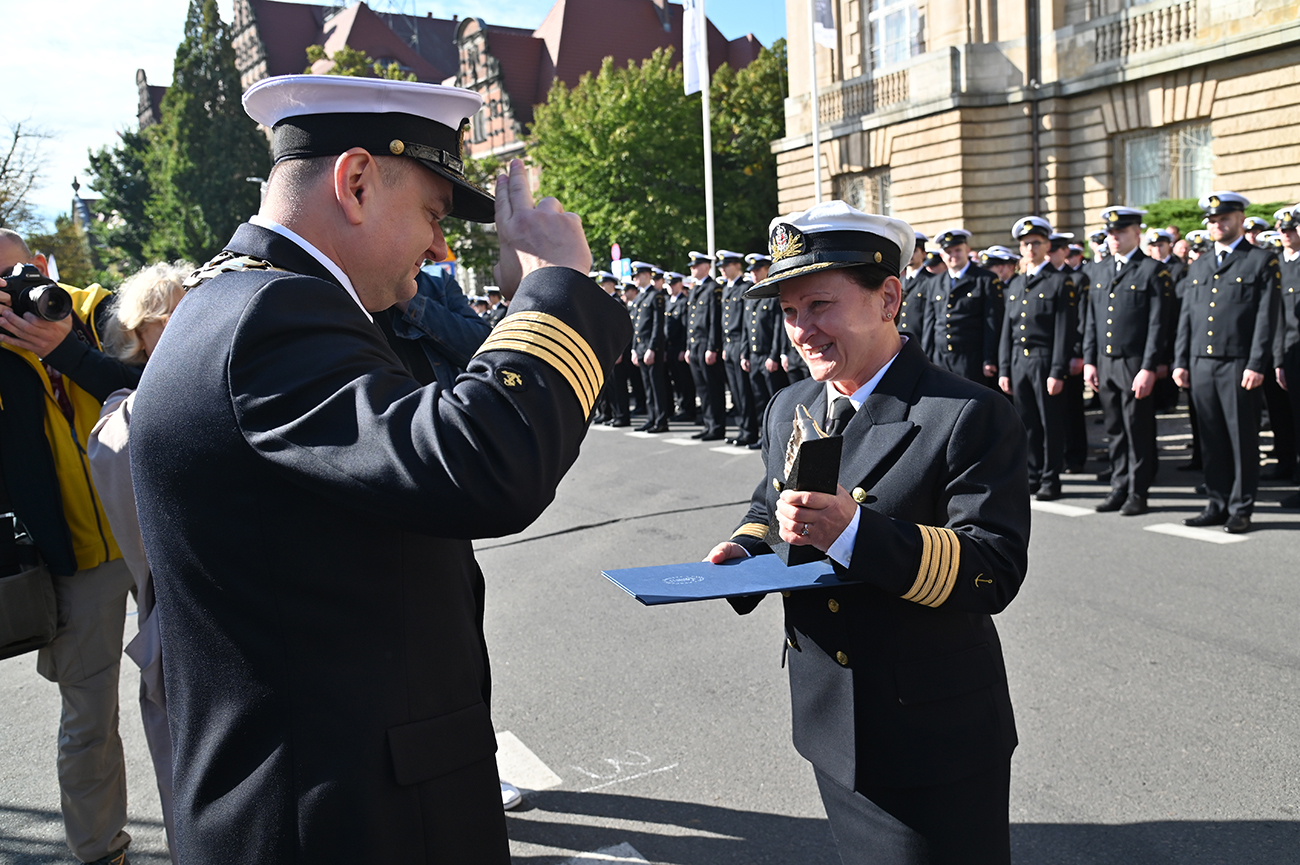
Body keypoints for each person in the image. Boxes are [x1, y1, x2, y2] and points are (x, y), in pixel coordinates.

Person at [127, 75, 631, 863]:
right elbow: (482, 461)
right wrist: (556, 291)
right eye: (433, 213)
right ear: (356, 181)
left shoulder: (246, 303)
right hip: (340, 819)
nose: (439, 248)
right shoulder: (271, 318)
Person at [706, 201, 1028, 865]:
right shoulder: (791, 405)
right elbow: (769, 502)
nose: (801, 330)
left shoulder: (966, 414)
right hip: (830, 720)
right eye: (789, 312)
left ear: (888, 297)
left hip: (927, 734)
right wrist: (745, 549)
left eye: (819, 304)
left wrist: (857, 532)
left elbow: (993, 566)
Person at [0, 228, 141, 865]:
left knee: (202, 696)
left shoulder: (93, 309)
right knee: (88, 724)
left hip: (154, 538)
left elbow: (155, 382)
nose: (21, 291)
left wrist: (67, 349)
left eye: (23, 272)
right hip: (73, 564)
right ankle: (99, 853)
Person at [86, 261, 191, 862]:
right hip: (177, 629)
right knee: (193, 790)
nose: (180, 325)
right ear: (139, 334)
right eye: (165, 317)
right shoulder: (123, 415)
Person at [1173, 192, 1280, 533]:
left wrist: (1256, 363)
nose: (1218, 225)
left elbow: (1267, 317)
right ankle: (1217, 503)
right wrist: (1180, 360)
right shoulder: (1201, 263)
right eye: (1213, 221)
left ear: (1240, 219)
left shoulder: (1260, 261)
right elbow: (1187, 316)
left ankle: (1241, 507)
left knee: (1241, 439)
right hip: (1201, 362)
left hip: (1238, 363)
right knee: (1211, 437)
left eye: (1225, 219)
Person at [1083, 207, 1172, 516]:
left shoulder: (1152, 270)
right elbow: (1092, 319)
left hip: (1135, 363)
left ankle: (1138, 491)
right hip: (1106, 362)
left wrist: (1149, 366)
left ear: (1137, 233)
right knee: (1115, 429)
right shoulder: (1100, 270)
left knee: (1138, 429)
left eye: (1120, 232)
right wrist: (1090, 361)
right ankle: (1119, 486)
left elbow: (1158, 325)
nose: (1114, 238)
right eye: (1110, 233)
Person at [999, 216, 1078, 501]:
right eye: (1025, 243)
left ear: (1047, 246)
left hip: (1045, 361)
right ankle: (1031, 474)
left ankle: (1050, 478)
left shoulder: (1060, 281)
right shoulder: (1016, 285)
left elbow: (1063, 332)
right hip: (1020, 361)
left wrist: (1057, 370)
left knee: (1050, 422)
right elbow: (1007, 331)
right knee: (1027, 422)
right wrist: (1005, 368)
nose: (1030, 248)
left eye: (1036, 243)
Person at [921, 228, 1003, 386]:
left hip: (971, 359)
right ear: (943, 256)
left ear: (967, 250)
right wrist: (926, 358)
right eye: (948, 252)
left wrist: (989, 358)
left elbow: (992, 322)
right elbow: (929, 324)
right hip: (941, 359)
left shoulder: (985, 280)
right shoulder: (934, 283)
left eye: (958, 250)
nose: (954, 255)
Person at [742, 252, 785, 443]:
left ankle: (775, 437)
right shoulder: (754, 294)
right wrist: (745, 353)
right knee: (759, 398)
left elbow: (778, 327)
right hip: (755, 355)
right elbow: (747, 327)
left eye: (757, 270)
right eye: (751, 271)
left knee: (773, 399)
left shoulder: (773, 294)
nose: (754, 274)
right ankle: (763, 436)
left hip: (768, 355)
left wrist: (774, 355)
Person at [718, 248, 758, 446]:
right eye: (721, 267)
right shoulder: (727, 288)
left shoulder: (745, 287)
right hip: (729, 344)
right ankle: (742, 429)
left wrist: (744, 349)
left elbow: (745, 322)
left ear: (737, 266)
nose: (723, 270)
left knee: (744, 391)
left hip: (740, 342)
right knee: (735, 391)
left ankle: (749, 430)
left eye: (726, 266)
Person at [1274, 205, 1300, 506]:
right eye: (1282, 229)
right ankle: (1289, 466)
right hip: (1288, 352)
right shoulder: (1277, 265)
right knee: (1289, 418)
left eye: (1291, 229)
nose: (1286, 234)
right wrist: (1278, 358)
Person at [685, 250, 726, 440]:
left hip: (706, 346)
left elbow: (713, 321)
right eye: (691, 266)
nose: (692, 269)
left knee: (712, 387)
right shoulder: (695, 289)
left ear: (706, 267)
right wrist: (688, 346)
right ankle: (708, 424)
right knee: (701, 388)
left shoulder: (713, 288)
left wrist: (712, 347)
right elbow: (691, 321)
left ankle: (717, 426)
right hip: (694, 346)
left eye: (695, 266)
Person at [628, 260, 670, 432]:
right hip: (640, 348)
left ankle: (661, 420)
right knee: (647, 386)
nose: (635, 279)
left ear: (646, 275)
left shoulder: (655, 296)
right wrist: (633, 349)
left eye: (638, 276)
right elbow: (637, 326)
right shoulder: (640, 297)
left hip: (651, 348)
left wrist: (652, 348)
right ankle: (651, 418)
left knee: (656, 385)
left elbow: (657, 326)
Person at [663, 271, 697, 421]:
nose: (671, 288)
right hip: (670, 347)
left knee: (685, 381)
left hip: (679, 347)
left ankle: (688, 409)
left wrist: (684, 348)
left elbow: (685, 327)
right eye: (669, 285)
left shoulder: (684, 301)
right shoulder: (668, 301)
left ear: (679, 284)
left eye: (673, 284)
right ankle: (682, 407)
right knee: (676, 380)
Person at [896, 231, 931, 337]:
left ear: (924, 254)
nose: (910, 255)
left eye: (914, 251)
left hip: (919, 339)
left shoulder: (930, 281)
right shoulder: (900, 281)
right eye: (907, 251)